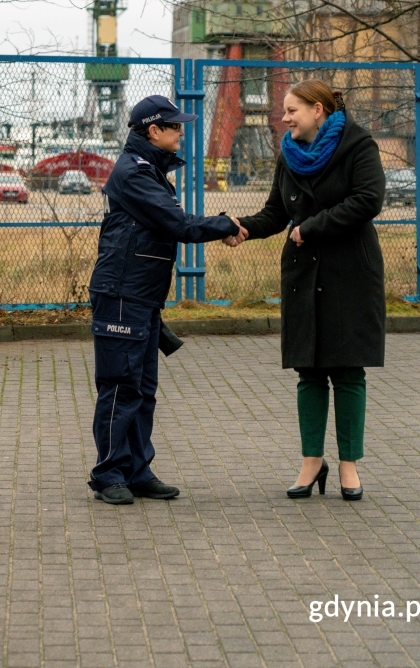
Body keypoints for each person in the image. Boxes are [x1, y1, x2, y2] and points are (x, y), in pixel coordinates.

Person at [87, 95, 243, 505]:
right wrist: (225, 224)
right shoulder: (134, 174)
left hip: (141, 297)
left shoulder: (149, 172)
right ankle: (108, 475)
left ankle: (137, 471)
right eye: (175, 126)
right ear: (153, 131)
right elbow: (176, 223)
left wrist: (221, 225)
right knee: (121, 388)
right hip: (122, 295)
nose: (181, 132)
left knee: (143, 390)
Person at [234, 80, 385, 502]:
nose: (284, 118)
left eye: (292, 110)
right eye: (284, 111)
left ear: (318, 110)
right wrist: (240, 228)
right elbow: (276, 213)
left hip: (350, 271)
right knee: (310, 371)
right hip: (304, 271)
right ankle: (311, 462)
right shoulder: (290, 154)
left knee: (349, 369)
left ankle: (349, 466)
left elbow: (368, 200)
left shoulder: (359, 145)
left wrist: (310, 228)